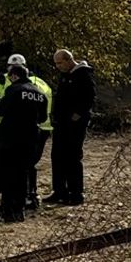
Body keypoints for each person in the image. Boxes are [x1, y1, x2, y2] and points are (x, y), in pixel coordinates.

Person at [0, 54, 54, 209]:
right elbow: (42, 117)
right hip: (33, 134)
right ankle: (24, 202)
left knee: (9, 169)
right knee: (26, 168)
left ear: (14, 74)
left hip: (10, 135)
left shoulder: (12, 88)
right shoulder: (39, 89)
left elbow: (0, 110)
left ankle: (7, 207)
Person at [46, 49, 96, 206]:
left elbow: (89, 97)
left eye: (60, 63)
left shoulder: (82, 75)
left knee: (72, 157)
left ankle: (75, 193)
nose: (58, 66)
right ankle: (59, 191)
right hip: (61, 123)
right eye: (56, 64)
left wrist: (78, 114)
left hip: (74, 124)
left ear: (69, 60)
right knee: (57, 156)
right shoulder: (65, 76)